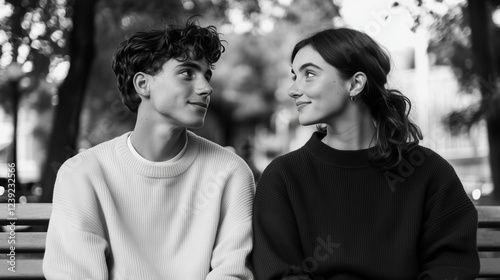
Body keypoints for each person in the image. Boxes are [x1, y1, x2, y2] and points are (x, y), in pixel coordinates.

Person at [251, 27, 479, 280]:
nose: (293, 90)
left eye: (309, 74)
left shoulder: (427, 171)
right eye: (295, 75)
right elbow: (280, 274)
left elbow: (452, 268)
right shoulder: (283, 177)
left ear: (356, 83)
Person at [43, 18, 255, 280]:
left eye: (206, 75)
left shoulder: (231, 172)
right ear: (143, 84)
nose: (206, 88)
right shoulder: (82, 173)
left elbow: (232, 273)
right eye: (187, 72)